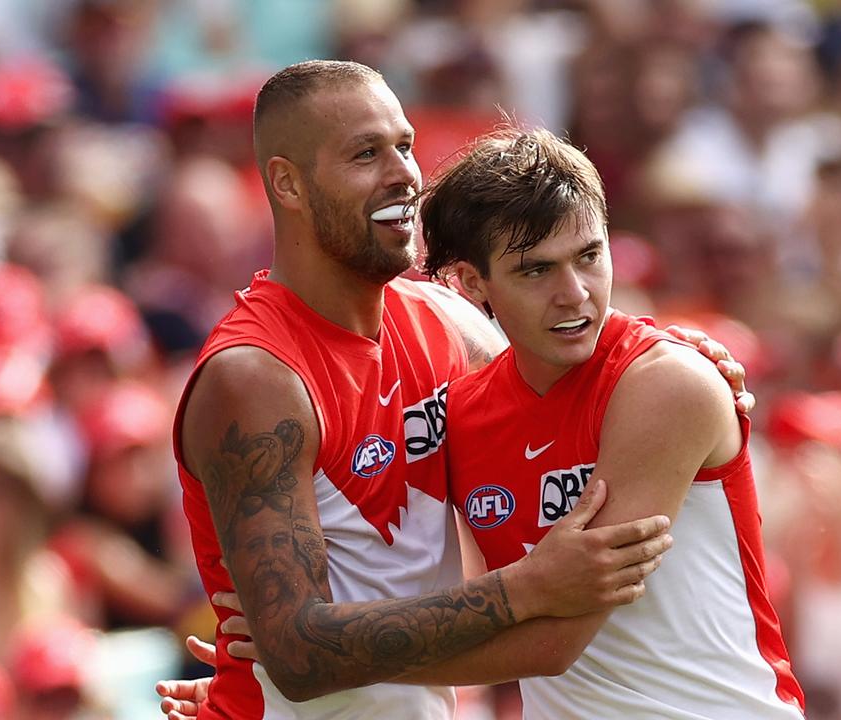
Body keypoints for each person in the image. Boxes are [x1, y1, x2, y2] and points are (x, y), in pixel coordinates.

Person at [170, 60, 750, 719]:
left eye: (405, 146)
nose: (403, 174)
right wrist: (522, 590)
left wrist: (681, 355)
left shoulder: (445, 324)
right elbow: (301, 659)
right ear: (287, 184)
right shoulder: (254, 378)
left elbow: (574, 380)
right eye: (366, 153)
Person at [416, 126, 805, 718]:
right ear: (473, 282)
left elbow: (553, 642)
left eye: (590, 257)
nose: (575, 294)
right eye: (536, 271)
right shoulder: (460, 413)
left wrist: (324, 658)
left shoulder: (669, 383)